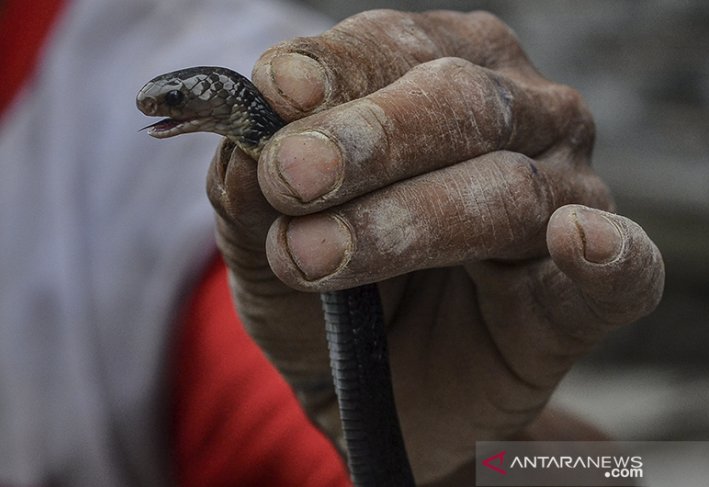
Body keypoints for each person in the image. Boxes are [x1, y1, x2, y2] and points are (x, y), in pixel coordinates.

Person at [0, 2, 664, 487]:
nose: (155, 106)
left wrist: (470, 464)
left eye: (174, 100)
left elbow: (608, 472)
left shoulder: (147, 185)